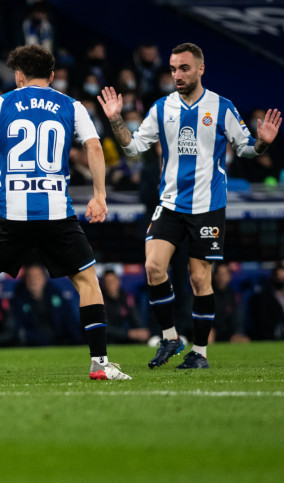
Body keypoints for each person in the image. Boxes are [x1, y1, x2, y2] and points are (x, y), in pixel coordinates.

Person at [0, 44, 131, 384]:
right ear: (52, 75)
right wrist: (99, 195)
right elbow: (94, 147)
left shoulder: (1, 103)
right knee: (88, 283)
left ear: (18, 75)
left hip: (10, 213)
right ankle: (99, 363)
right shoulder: (71, 105)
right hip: (57, 212)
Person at [99, 42, 281, 369]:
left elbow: (247, 150)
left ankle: (200, 352)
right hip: (170, 204)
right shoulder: (161, 108)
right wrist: (115, 121)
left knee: (199, 279)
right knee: (154, 267)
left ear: (200, 69)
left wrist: (263, 141)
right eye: (172, 69)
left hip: (208, 207)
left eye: (184, 68)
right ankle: (170, 337)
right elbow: (133, 149)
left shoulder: (222, 107)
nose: (177, 75)